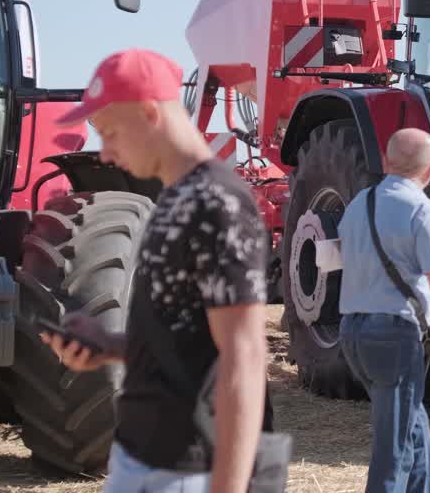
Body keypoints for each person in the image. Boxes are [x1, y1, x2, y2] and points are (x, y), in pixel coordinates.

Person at [40, 48, 273, 493]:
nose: (105, 153)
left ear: (148, 114)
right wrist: (108, 345)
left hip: (189, 467)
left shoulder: (216, 203)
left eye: (109, 133)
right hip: (145, 455)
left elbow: (243, 356)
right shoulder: (177, 199)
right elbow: (189, 343)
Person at [337, 127, 430, 493]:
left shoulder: (359, 204)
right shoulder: (421, 209)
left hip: (353, 335)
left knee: (411, 427)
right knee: (395, 451)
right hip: (394, 337)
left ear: (385, 161)